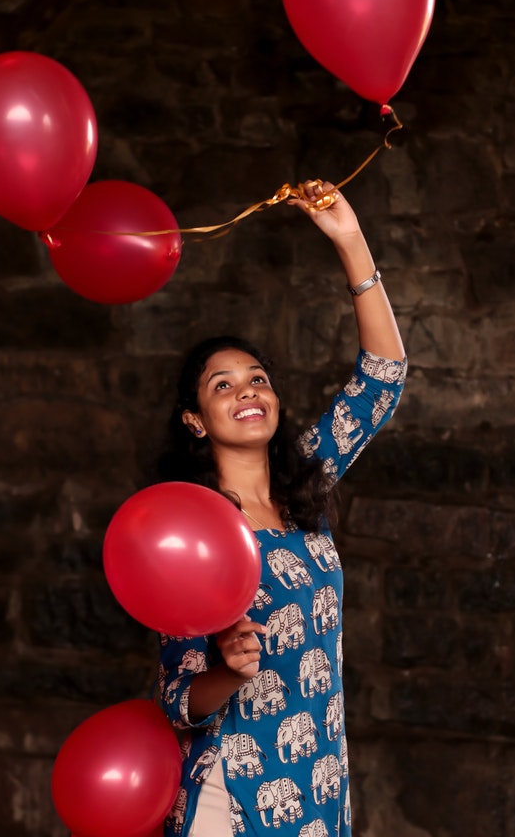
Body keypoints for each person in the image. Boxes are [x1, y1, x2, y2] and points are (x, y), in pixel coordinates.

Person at [156, 179, 407, 837]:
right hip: (232, 793)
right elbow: (181, 697)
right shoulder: (190, 530)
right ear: (195, 419)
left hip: (317, 781)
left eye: (258, 379)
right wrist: (230, 670)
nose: (248, 391)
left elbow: (383, 374)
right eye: (223, 385)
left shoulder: (307, 484)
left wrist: (349, 240)